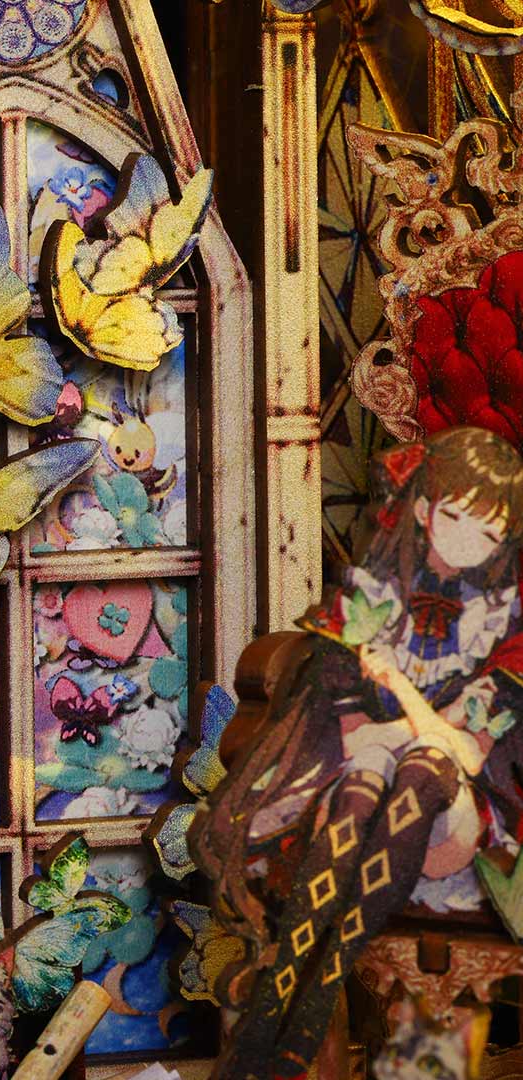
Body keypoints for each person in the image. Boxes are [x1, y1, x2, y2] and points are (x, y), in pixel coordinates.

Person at [189, 426, 523, 1080]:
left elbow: (467, 754)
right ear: (423, 510)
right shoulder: (377, 598)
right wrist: (391, 728)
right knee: (361, 783)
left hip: (457, 817)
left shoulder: (504, 620)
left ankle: (315, 993)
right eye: (454, 518)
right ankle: (289, 1010)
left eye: (488, 533)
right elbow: (347, 728)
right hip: (373, 792)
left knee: (423, 766)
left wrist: (398, 689)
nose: (466, 543)